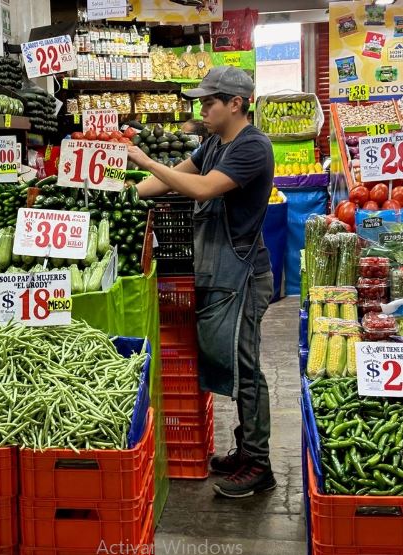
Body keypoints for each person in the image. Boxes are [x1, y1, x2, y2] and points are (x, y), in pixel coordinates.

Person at [127, 66, 275, 499]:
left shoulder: (253, 146)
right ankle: (245, 450)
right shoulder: (213, 143)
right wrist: (120, 193)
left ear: (236, 103)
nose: (202, 110)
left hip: (243, 274)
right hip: (218, 271)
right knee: (229, 363)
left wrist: (144, 160)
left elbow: (204, 189)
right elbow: (170, 177)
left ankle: (260, 464)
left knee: (245, 368)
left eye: (209, 103)